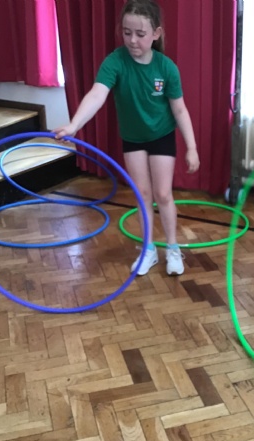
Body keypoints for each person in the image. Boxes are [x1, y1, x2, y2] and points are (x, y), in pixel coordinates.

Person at [54, 0, 199, 276]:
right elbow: (97, 94)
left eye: (140, 34)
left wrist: (191, 147)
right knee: (142, 195)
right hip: (133, 138)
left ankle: (172, 248)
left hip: (161, 135)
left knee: (163, 194)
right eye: (126, 32)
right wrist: (74, 125)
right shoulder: (115, 61)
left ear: (156, 33)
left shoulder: (167, 68)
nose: (132, 40)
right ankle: (148, 249)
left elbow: (179, 109)